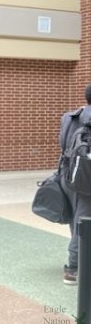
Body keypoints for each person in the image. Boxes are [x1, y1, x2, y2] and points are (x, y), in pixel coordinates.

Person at [60, 83, 91, 285]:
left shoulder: (70, 116)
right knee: (84, 221)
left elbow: (62, 142)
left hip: (67, 174)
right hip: (86, 179)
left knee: (76, 220)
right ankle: (73, 268)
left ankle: (79, 258)